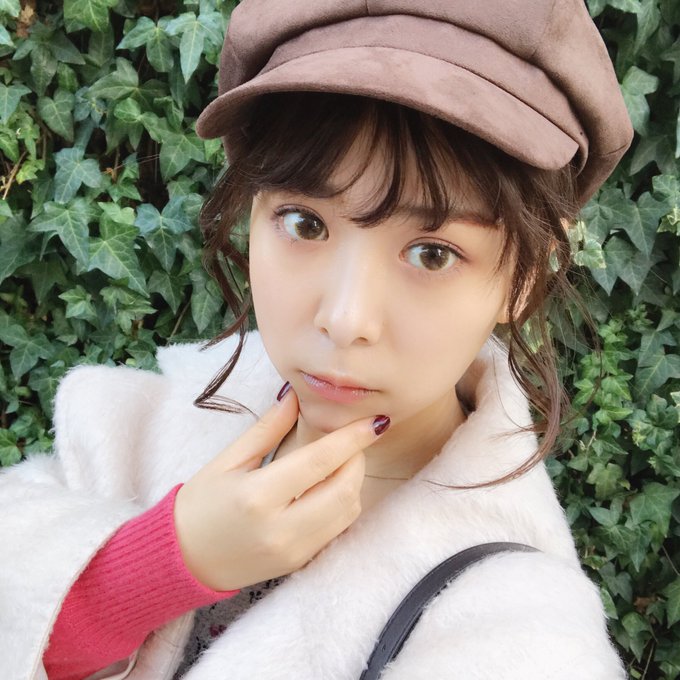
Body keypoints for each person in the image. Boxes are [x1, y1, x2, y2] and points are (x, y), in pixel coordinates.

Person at [0, 1, 634, 679]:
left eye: (432, 254)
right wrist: (157, 565)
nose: (344, 317)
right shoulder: (140, 432)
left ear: (524, 279)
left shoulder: (522, 635)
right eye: (304, 223)